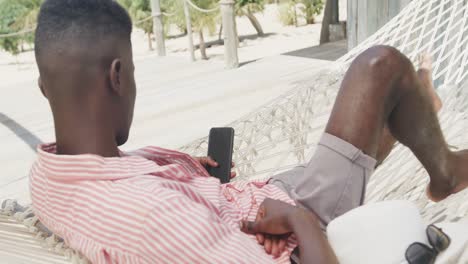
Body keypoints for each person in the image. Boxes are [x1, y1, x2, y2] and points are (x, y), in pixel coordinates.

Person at [29, 0, 468, 263]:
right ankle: (442, 165)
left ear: (43, 85)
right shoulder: (151, 217)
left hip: (256, 198)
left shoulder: (49, 173)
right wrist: (299, 219)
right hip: (303, 221)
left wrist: (184, 174)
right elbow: (159, 222)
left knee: (380, 92)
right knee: (382, 65)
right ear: (118, 76)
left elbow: (118, 180)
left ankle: (409, 121)